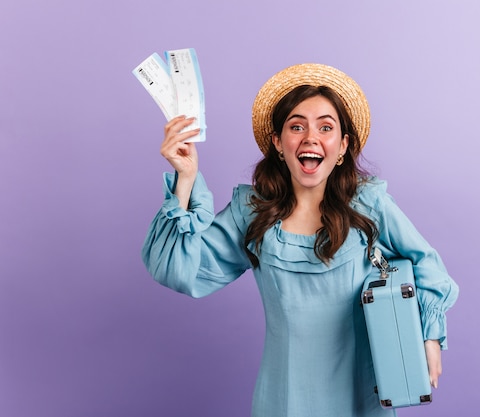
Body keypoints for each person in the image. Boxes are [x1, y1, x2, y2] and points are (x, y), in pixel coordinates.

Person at [142, 63, 459, 417]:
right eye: (297, 126)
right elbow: (178, 269)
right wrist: (185, 178)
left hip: (361, 400)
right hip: (283, 400)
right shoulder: (252, 212)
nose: (311, 137)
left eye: (326, 127)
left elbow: (427, 263)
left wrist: (431, 337)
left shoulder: (370, 204)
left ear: (342, 147)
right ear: (278, 143)